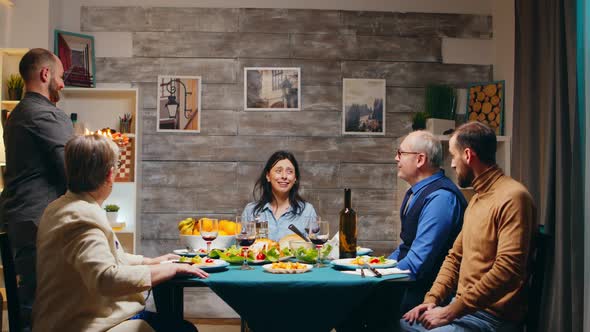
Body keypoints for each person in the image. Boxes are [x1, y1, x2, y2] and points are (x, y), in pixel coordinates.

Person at [33, 134, 208, 332]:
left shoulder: (60, 207)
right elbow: (106, 278)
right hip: (80, 324)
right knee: (184, 330)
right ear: (110, 174)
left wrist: (149, 262)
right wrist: (171, 269)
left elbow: (107, 258)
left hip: (69, 317)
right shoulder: (81, 217)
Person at [401, 122, 536, 332]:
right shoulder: (477, 199)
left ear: (468, 155)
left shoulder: (513, 197)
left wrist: (451, 311)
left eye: (453, 156)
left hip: (491, 318)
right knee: (396, 323)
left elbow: (507, 270)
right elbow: (454, 257)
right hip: (464, 310)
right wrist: (432, 299)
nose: (452, 165)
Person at [0, 48, 73, 329]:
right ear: (45, 74)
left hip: (20, 219)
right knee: (45, 307)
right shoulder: (46, 115)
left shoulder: (17, 113)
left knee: (30, 303)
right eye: (61, 76)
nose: (63, 83)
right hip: (38, 224)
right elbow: (74, 170)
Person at [389, 131, 467, 312]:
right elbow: (406, 247)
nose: (396, 158)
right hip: (410, 285)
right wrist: (378, 265)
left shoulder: (441, 198)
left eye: (401, 153)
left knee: (356, 306)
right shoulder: (416, 193)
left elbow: (418, 263)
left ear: (420, 159)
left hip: (426, 294)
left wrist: (377, 276)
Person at [242, 150, 317, 242]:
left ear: (295, 178)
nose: (284, 176)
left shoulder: (307, 211)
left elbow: (315, 249)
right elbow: (242, 248)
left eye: (289, 172)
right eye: (278, 171)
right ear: (268, 176)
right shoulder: (251, 211)